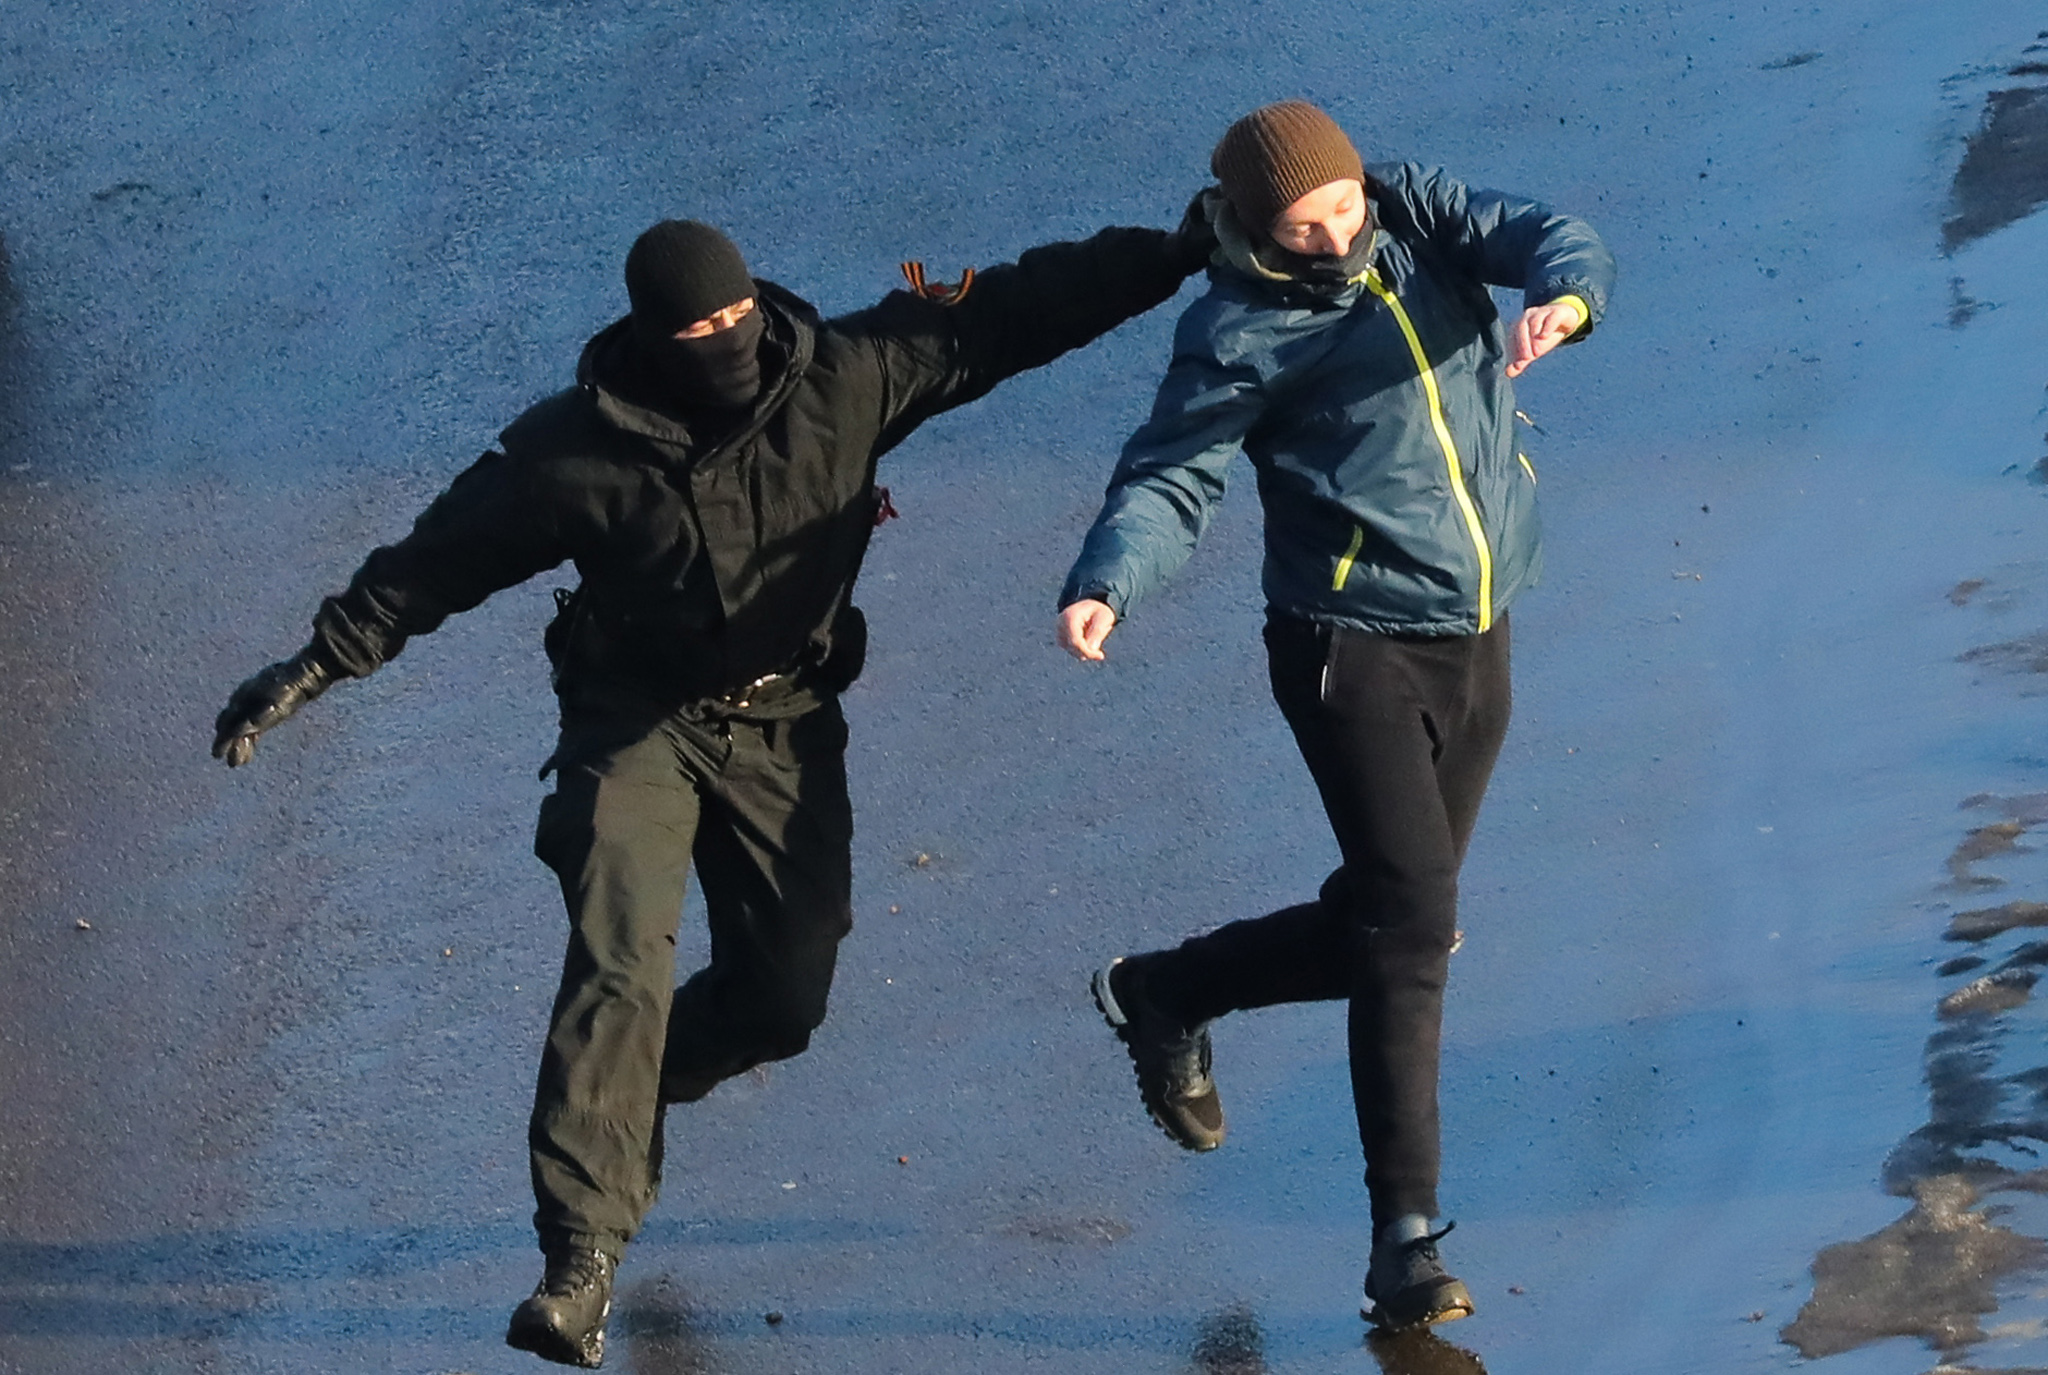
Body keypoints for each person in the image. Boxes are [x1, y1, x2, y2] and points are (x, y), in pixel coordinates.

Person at [212, 209, 1213, 1368]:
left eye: (736, 316)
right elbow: (433, 562)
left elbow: (1016, 312)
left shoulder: (848, 376)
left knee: (783, 996)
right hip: (633, 719)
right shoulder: (573, 452)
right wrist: (315, 663)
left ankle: (638, 1093)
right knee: (617, 954)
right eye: (696, 327)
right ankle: (579, 1258)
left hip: (786, 721)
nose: (724, 339)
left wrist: (1175, 250)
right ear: (650, 336)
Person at [1056, 100, 1615, 1331]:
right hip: (1346, 651)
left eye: (1342, 208)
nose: (1334, 237)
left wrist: (1563, 301)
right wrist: (1108, 578)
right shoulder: (1240, 328)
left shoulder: (1416, 214)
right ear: (1259, 231)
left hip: (1477, 627)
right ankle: (1402, 1238)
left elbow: (1551, 232)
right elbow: (1170, 472)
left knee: (1392, 919)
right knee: (1413, 928)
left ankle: (1167, 989)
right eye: (1302, 227)